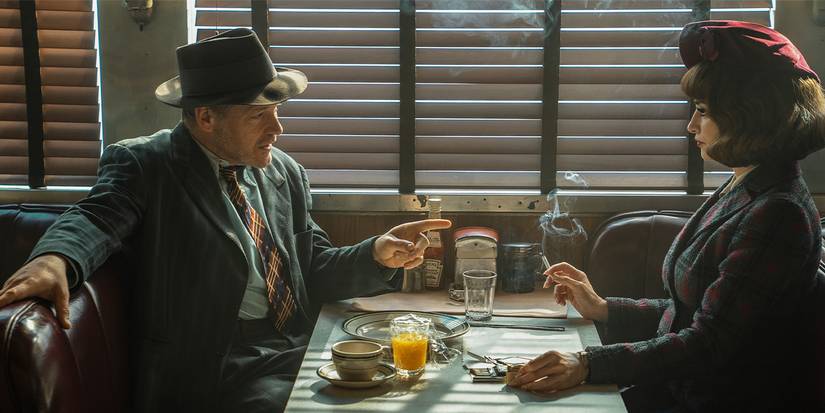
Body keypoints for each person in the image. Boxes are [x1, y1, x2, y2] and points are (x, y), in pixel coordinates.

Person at [0, 29, 450, 412]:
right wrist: (56, 259)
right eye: (260, 115)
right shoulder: (146, 165)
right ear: (206, 116)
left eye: (278, 112)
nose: (278, 129)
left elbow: (310, 268)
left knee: (424, 381)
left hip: (296, 343)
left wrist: (377, 252)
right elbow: (97, 217)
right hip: (217, 369)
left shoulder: (283, 172)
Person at [508, 20, 825, 411]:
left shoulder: (779, 214)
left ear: (752, 115)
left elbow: (708, 342)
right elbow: (690, 314)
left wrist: (588, 363)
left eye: (703, 111)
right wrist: (604, 307)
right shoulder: (745, 185)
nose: (690, 125)